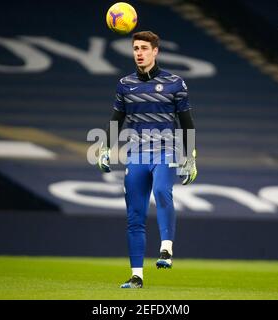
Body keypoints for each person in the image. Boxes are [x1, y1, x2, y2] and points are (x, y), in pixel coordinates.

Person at [97, 31, 197, 288]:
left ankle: (166, 249)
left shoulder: (175, 83)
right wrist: (106, 147)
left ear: (155, 51)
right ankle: (136, 277)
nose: (139, 53)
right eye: (135, 48)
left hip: (166, 150)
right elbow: (116, 120)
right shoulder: (125, 84)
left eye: (143, 48)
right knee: (134, 216)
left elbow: (186, 123)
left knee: (163, 190)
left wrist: (190, 156)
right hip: (137, 154)